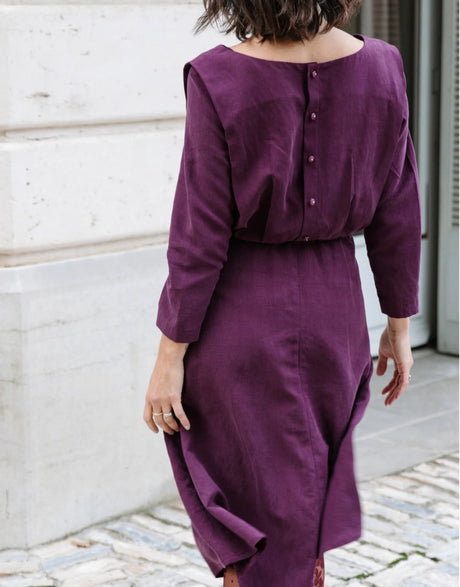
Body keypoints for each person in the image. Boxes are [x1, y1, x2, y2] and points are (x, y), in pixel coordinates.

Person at [143, 0, 422, 585]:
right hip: (336, 316)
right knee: (305, 507)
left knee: (252, 523)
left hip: (240, 318)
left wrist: (170, 356)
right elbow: (398, 206)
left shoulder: (217, 76)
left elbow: (200, 233)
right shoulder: (383, 66)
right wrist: (398, 323)